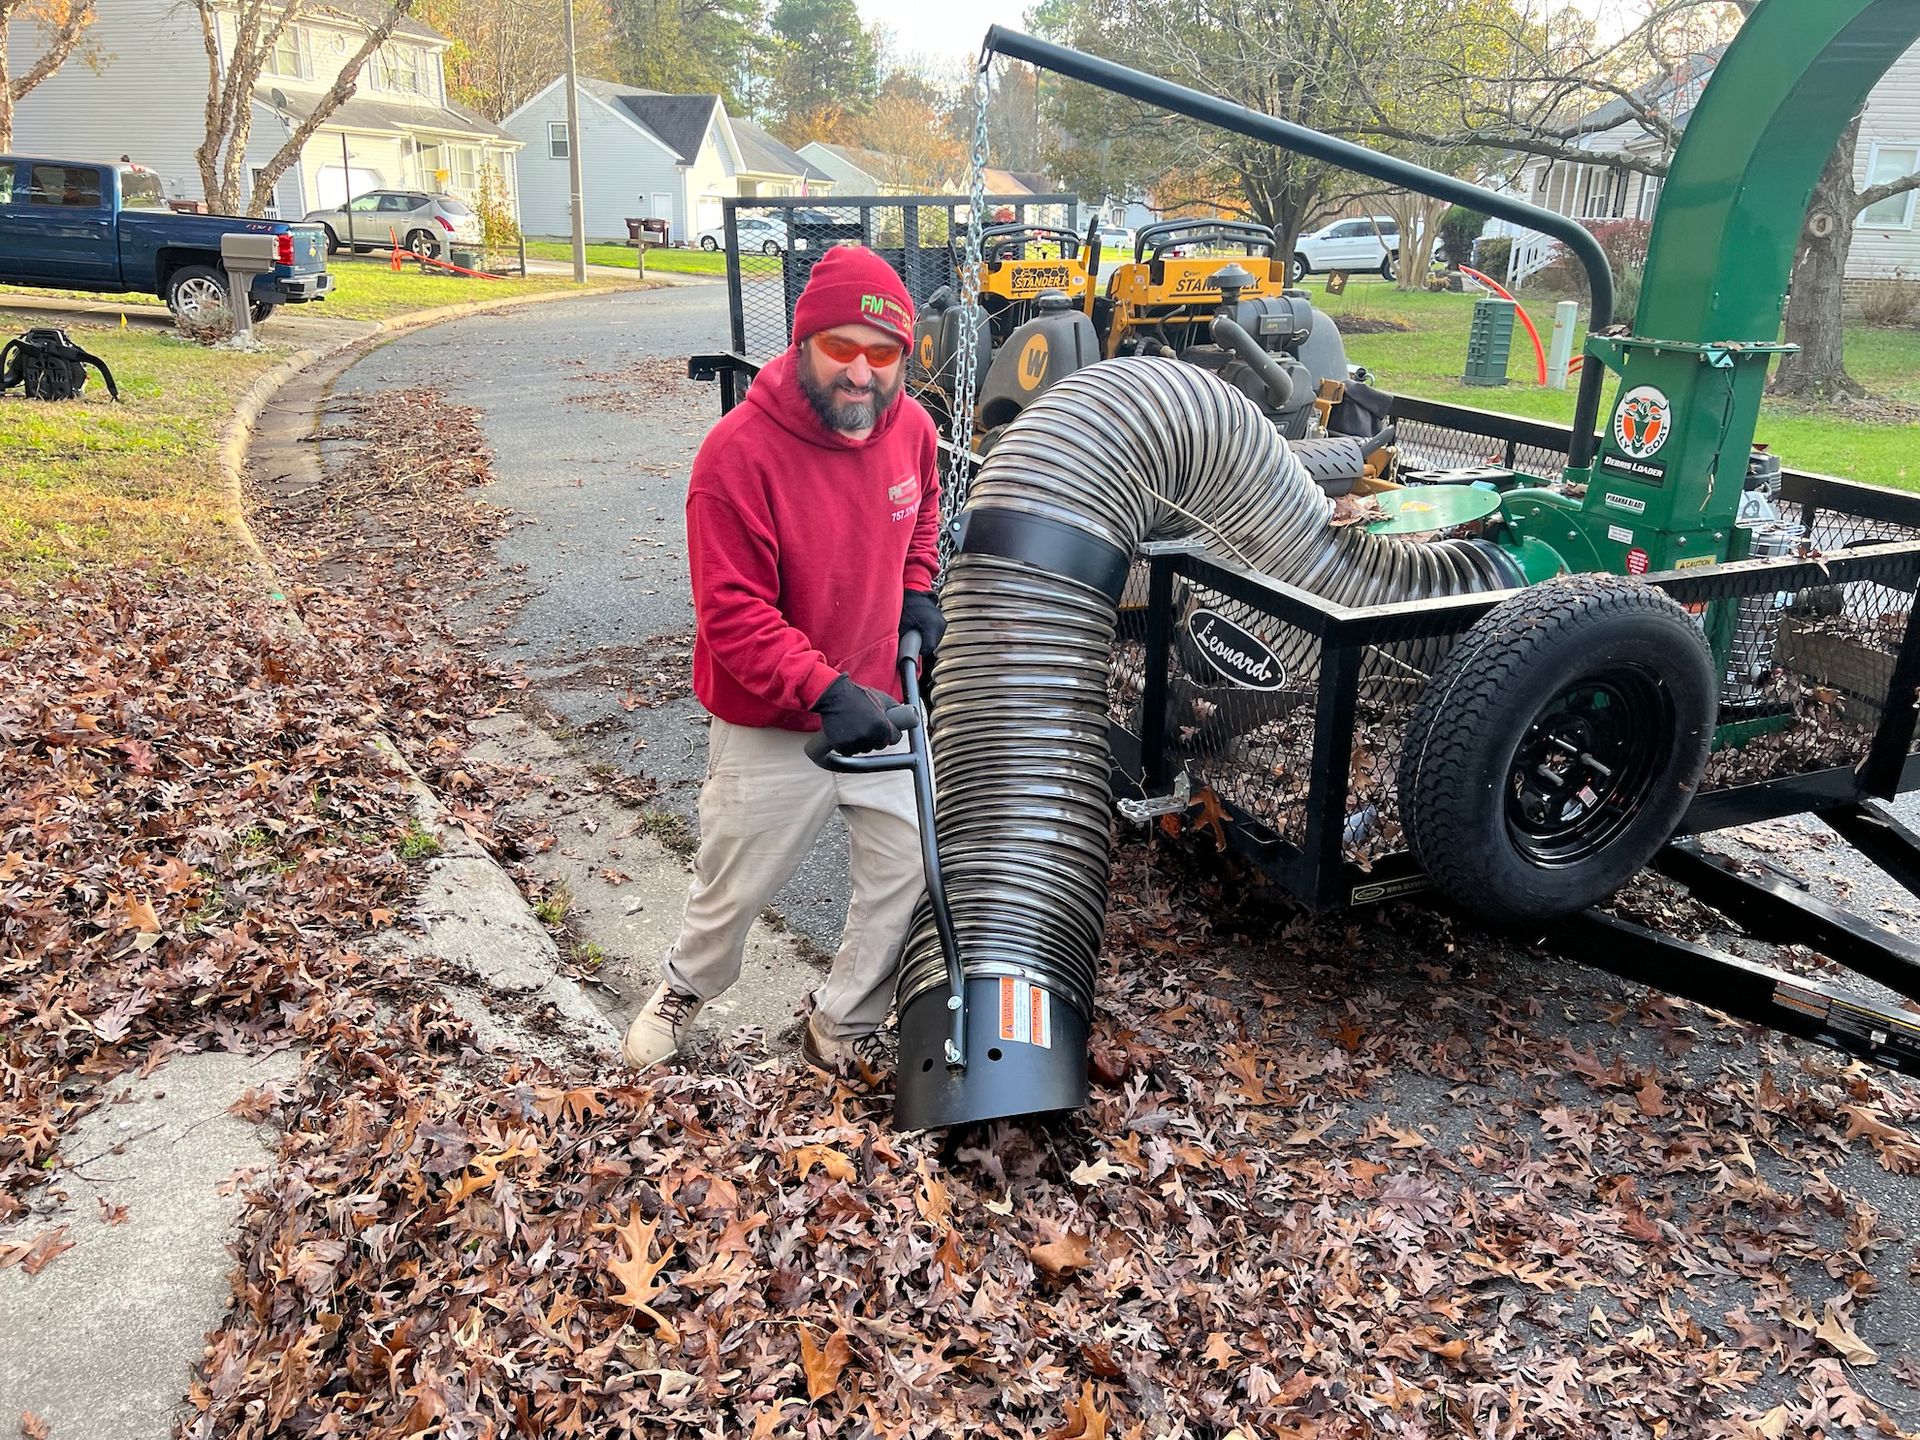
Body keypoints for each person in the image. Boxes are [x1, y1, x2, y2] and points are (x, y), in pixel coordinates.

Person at [622, 245, 947, 1087]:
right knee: (735, 879)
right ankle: (683, 990)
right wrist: (821, 689)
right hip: (770, 716)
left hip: (878, 701)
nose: (862, 373)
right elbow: (733, 616)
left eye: (883, 356)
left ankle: (840, 1021)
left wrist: (916, 592)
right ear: (803, 342)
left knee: (908, 865)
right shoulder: (737, 455)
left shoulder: (911, 427)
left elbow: (921, 515)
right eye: (843, 347)